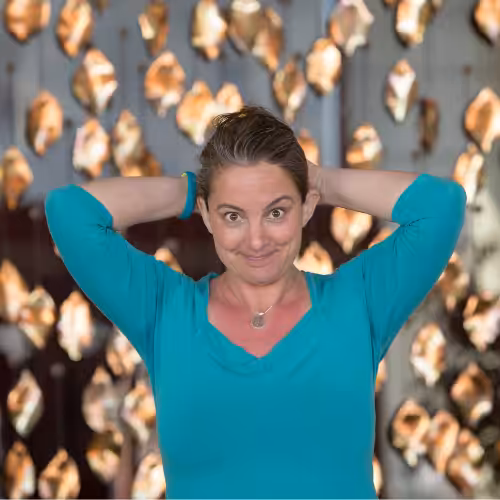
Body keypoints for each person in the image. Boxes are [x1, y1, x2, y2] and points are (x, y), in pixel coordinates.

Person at [44, 106, 466, 499]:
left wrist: (321, 181)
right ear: (207, 216)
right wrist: (191, 190)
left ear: (306, 208)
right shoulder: (164, 312)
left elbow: (440, 207)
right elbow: (70, 213)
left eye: (276, 212)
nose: (257, 239)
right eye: (233, 216)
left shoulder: (358, 304)